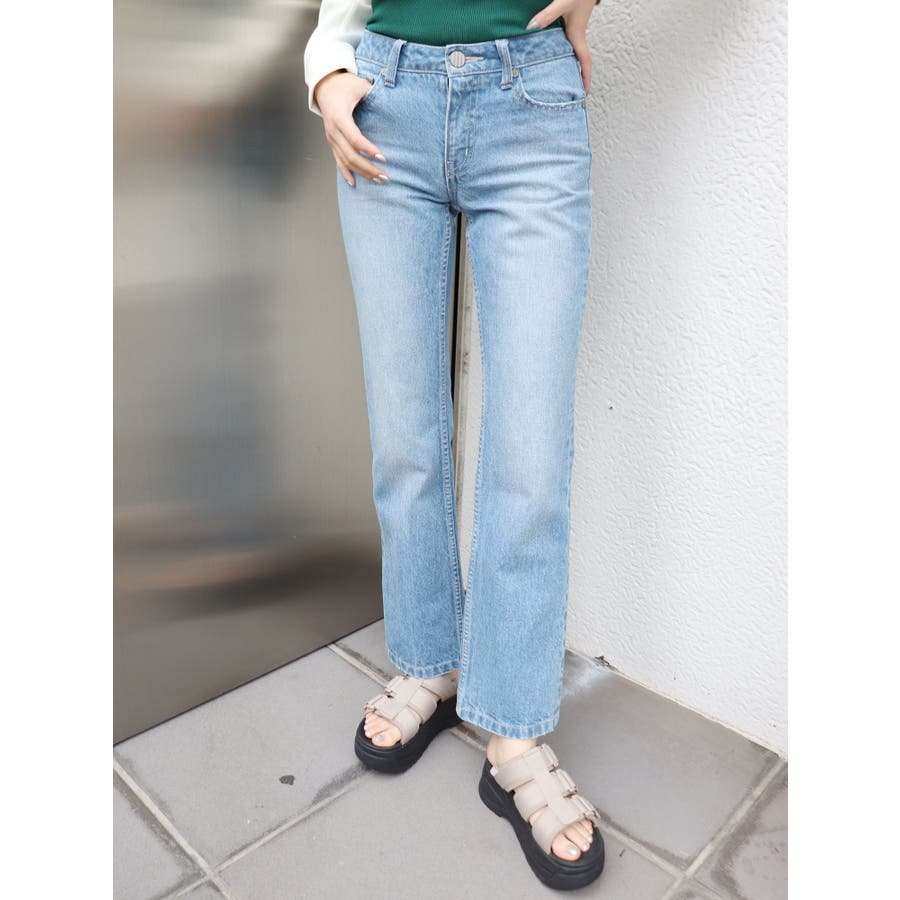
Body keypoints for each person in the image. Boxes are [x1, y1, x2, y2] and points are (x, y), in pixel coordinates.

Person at [304, 0, 605, 889]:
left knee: (530, 454)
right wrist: (326, 72)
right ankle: (430, 663)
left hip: (531, 105)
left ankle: (512, 729)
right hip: (385, 101)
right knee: (404, 431)